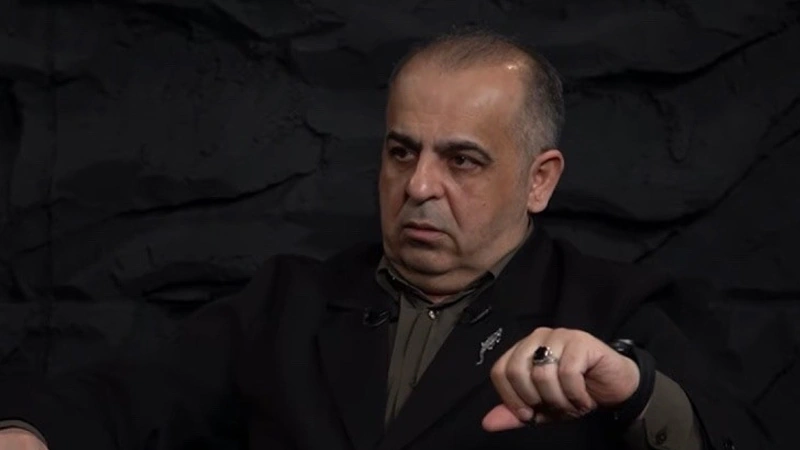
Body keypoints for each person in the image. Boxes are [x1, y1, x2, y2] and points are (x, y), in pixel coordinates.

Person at [0, 29, 772, 450]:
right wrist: (28, 434)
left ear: (539, 180)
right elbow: (128, 398)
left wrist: (635, 390)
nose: (419, 186)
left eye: (462, 160)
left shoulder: (614, 310)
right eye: (403, 152)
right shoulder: (289, 302)